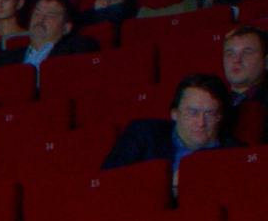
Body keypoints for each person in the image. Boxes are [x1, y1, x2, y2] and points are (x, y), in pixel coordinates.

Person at [101, 74, 237, 177]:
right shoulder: (143, 135)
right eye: (192, 113)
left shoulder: (235, 152)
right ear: (174, 114)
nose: (201, 123)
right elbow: (110, 180)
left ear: (220, 117)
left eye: (210, 114)